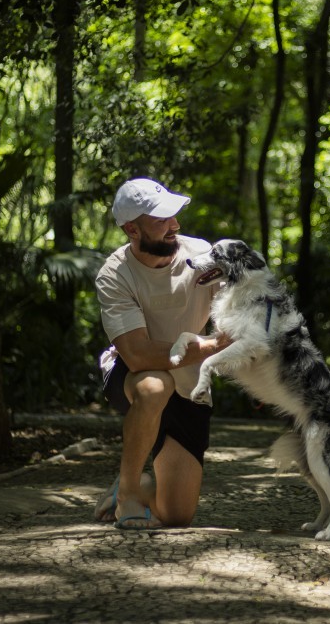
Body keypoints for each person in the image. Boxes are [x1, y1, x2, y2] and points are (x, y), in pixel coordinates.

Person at [91, 177, 228, 529]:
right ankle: (128, 494)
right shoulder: (115, 274)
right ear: (132, 229)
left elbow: (235, 315)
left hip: (189, 383)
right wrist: (212, 346)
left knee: (177, 515)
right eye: (161, 219)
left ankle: (138, 483)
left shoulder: (201, 255)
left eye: (174, 216)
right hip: (131, 375)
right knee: (154, 385)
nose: (175, 225)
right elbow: (137, 355)